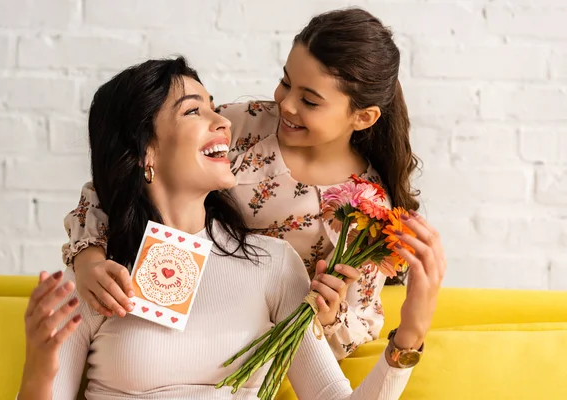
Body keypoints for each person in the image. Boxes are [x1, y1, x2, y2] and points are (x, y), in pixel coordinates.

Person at [18, 57, 445, 400]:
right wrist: (40, 363)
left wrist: (410, 333)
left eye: (212, 105)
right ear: (146, 150)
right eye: (193, 111)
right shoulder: (98, 278)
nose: (222, 120)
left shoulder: (273, 264)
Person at [63, 8, 425, 360]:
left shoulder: (367, 211)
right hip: (160, 303)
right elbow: (124, 176)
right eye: (286, 82)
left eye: (310, 101)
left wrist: (328, 317)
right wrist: (88, 261)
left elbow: (355, 328)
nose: (286, 104)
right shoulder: (244, 124)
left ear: (362, 117)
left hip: (251, 344)